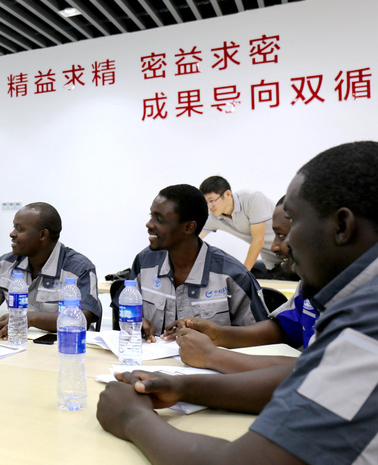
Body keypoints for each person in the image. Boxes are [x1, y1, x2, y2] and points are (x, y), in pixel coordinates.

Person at [97, 141, 378, 465]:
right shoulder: (343, 298)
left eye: (293, 222)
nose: (281, 245)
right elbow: (305, 374)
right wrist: (182, 387)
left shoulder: (366, 318)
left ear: (341, 226)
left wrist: (133, 418)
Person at [162, 196, 317, 374]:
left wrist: (211, 356)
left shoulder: (343, 300)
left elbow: (317, 370)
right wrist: (218, 335)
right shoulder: (309, 285)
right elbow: (284, 329)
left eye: (282, 236)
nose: (274, 247)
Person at [130, 184, 268, 341]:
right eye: (151, 216)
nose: (149, 224)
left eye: (160, 219)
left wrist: (216, 338)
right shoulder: (144, 262)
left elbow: (263, 336)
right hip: (152, 357)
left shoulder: (233, 275)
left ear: (189, 227)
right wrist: (136, 320)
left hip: (212, 357)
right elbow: (123, 307)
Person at [0, 202, 100, 338]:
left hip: (67, 345)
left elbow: (83, 318)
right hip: (19, 343)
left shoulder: (79, 268)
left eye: (20, 229)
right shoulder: (5, 264)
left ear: (43, 235)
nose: (12, 234)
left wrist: (30, 318)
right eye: (14, 228)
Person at [199, 175, 282, 274]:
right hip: (273, 262)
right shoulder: (212, 216)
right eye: (206, 202)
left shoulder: (252, 199)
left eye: (212, 201)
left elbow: (258, 240)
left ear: (228, 194)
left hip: (293, 252)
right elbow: (192, 239)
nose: (209, 206)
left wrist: (243, 274)